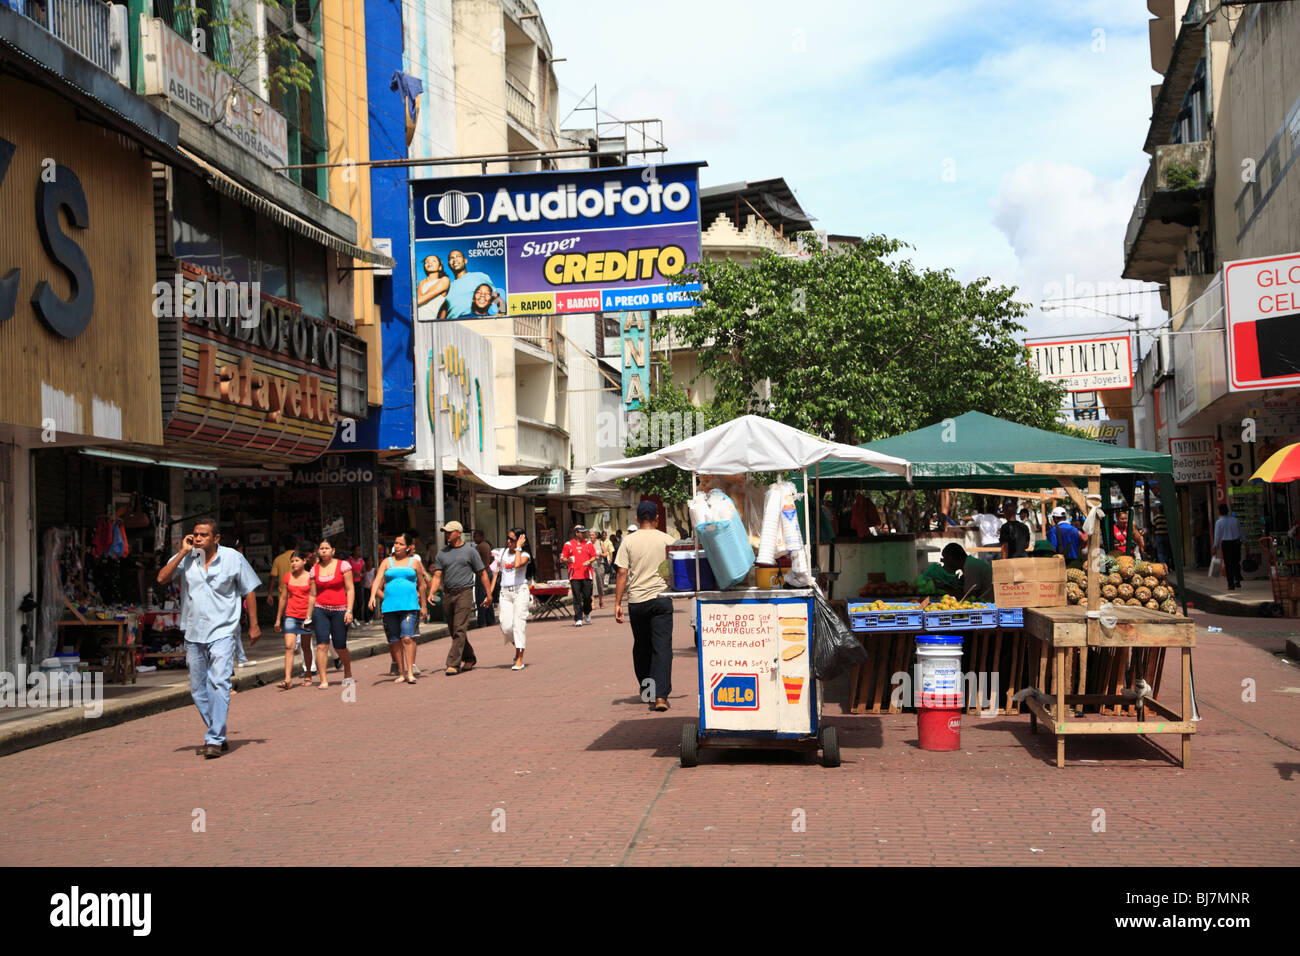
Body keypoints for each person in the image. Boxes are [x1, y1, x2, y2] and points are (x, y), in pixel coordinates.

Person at [157, 519, 261, 758]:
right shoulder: (187, 557)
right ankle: (219, 733)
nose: (198, 539)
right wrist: (182, 551)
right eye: (195, 535)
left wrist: (254, 624)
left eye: (203, 535)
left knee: (220, 682)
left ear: (216, 538)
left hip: (224, 631)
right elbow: (162, 579)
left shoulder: (233, 558)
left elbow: (249, 590)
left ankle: (214, 738)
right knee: (197, 689)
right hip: (194, 632)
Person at [614, 501, 676, 712]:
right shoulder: (668, 539)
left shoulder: (628, 541)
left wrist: (617, 603)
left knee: (642, 647)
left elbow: (622, 573)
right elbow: (674, 570)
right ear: (657, 518)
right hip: (661, 599)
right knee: (662, 648)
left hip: (637, 601)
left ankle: (648, 691)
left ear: (637, 519)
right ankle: (660, 696)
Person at [429, 520, 493, 675]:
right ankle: (469, 657)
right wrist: (431, 592)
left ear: (458, 533)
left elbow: (482, 573)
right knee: (454, 630)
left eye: (449, 532)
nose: (447, 535)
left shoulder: (470, 552)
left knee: (459, 628)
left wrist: (489, 594)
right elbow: (437, 576)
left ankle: (453, 663)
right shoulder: (442, 553)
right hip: (448, 594)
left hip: (464, 593)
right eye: (445, 532)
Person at [369, 531, 426, 684]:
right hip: (389, 607)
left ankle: (410, 672)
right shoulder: (387, 562)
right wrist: (372, 596)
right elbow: (377, 580)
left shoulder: (414, 563)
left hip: (410, 606)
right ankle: (401, 673)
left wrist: (424, 606)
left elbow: (422, 585)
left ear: (408, 547)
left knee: (407, 638)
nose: (397, 546)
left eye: (400, 544)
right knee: (394, 641)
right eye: (395, 543)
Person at [307, 538, 354, 688]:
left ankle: (347, 671)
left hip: (340, 610)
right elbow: (312, 594)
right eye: (321, 549)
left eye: (326, 548)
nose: (324, 551)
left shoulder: (343, 565)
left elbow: (350, 589)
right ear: (317, 552)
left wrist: (349, 610)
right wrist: (308, 615)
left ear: (333, 550)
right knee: (321, 644)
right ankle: (323, 679)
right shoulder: (314, 569)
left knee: (340, 645)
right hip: (320, 610)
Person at [272, 547, 313, 689]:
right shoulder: (288, 577)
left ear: (304, 561)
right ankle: (287, 679)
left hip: (306, 616)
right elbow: (283, 598)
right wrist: (278, 619)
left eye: (296, 561)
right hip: (290, 615)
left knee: (306, 647)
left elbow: (314, 597)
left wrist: (311, 615)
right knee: (289, 646)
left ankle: (308, 673)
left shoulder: (310, 577)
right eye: (292, 561)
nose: (294, 564)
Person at [491, 528, 531, 671]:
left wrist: (519, 547)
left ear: (520, 540)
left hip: (520, 591)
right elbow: (495, 572)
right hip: (505, 593)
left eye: (512, 539)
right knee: (506, 626)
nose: (508, 541)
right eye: (508, 538)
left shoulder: (525, 555)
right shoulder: (501, 553)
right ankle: (519, 646)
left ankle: (520, 657)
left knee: (518, 624)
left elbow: (517, 564)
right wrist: (489, 594)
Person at [437, 249, 496, 319]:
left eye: (458, 256)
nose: (454, 259)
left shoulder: (479, 276)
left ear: (465, 261)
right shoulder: (446, 287)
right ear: (449, 264)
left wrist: (501, 313)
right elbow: (443, 313)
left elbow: (497, 298)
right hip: (453, 326)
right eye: (451, 258)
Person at [561, 525, 598, 626]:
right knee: (576, 597)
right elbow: (563, 558)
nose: (584, 534)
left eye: (584, 532)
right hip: (574, 575)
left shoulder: (588, 543)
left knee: (587, 597)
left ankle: (586, 612)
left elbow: (594, 556)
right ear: (576, 533)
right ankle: (578, 618)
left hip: (587, 574)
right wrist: (567, 560)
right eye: (582, 532)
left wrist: (589, 561)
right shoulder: (568, 544)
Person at [1212, 503, 1244, 589]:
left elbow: (1217, 536)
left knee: (1228, 564)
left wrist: (1215, 546)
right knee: (1236, 562)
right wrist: (1245, 542)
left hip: (1226, 544)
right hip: (1236, 543)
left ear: (1219, 512)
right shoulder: (1235, 520)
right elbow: (1241, 532)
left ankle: (1230, 584)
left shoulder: (1219, 522)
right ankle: (1237, 580)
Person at [472, 530, 496, 628]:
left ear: (481, 537)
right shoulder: (487, 545)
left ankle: (482, 621)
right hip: (488, 572)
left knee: (481, 598)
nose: (474, 539)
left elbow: (473, 560)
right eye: (474, 537)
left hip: (482, 574)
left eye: (476, 537)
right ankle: (490, 620)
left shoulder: (479, 547)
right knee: (488, 597)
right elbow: (492, 559)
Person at [267, 533, 297, 609]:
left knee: (287, 619)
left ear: (284, 546)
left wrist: (270, 594)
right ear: (296, 545)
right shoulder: (300, 558)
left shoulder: (278, 559)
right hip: (299, 596)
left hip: (283, 598)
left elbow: (272, 578)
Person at [415, 254, 450, 322]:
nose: (429, 263)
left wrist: (421, 283)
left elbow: (418, 301)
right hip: (415, 319)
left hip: (427, 320)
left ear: (440, 267)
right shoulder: (421, 282)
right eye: (426, 262)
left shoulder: (444, 280)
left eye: (434, 261)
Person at [347, 546, 367, 623]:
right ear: (353, 551)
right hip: (351, 583)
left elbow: (364, 571)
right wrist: (353, 575)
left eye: (359, 550)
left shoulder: (361, 561)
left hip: (358, 583)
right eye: (357, 550)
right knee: (353, 602)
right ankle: (351, 618)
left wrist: (361, 576)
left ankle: (355, 617)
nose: (359, 552)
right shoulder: (349, 560)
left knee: (360, 602)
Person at [589, 529, 607, 609]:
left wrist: (601, 554)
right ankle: (592, 603)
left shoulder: (600, 542)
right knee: (592, 584)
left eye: (592, 535)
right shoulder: (588, 544)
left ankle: (601, 601)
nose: (591, 536)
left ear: (596, 535)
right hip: (591, 565)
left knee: (600, 584)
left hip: (600, 566)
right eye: (590, 534)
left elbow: (606, 554)